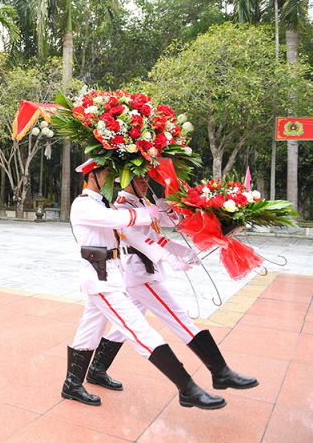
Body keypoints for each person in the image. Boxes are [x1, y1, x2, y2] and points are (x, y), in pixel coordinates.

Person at [61, 159, 224, 410]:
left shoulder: (101, 203)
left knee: (89, 332)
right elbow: (117, 219)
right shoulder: (83, 204)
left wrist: (161, 212)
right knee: (140, 331)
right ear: (91, 176)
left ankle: (72, 384)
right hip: (100, 279)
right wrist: (145, 213)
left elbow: (138, 227)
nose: (110, 179)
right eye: (106, 173)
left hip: (108, 276)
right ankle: (187, 388)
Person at [87, 174, 258, 393]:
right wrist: (169, 258)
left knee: (126, 325)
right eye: (138, 179)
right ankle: (220, 371)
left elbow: (165, 230)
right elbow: (140, 240)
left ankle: (97, 368)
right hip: (140, 273)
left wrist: (184, 250)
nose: (144, 183)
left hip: (145, 270)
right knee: (179, 317)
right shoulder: (120, 207)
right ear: (125, 181)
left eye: (144, 179)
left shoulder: (144, 203)